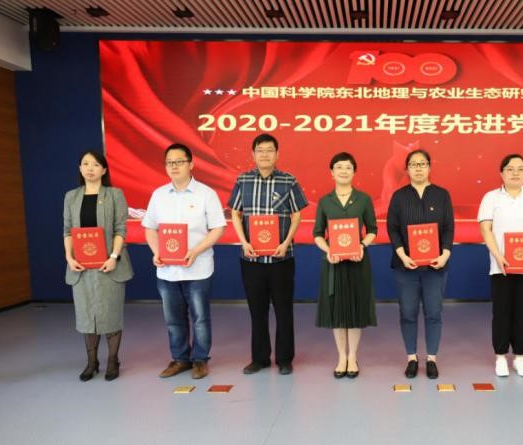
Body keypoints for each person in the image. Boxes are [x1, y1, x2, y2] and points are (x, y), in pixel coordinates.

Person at [142, 143, 226, 380]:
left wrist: (196, 251)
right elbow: (149, 228)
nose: (174, 166)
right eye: (170, 162)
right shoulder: (159, 195)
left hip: (197, 268)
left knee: (200, 317)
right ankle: (180, 359)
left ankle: (200, 359)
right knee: (173, 319)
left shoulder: (206, 194)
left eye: (179, 161)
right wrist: (156, 252)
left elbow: (218, 228)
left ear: (191, 164)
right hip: (167, 270)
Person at [228, 133, 308, 375]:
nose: (265, 154)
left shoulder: (289, 180)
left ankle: (285, 359)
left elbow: (297, 215)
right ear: (253, 154)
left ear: (277, 154)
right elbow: (235, 213)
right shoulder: (243, 180)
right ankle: (260, 358)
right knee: (257, 310)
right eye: (260, 150)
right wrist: (244, 242)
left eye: (269, 150)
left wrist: (286, 242)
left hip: (282, 257)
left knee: (284, 310)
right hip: (251, 258)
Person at [478, 154, 523, 377]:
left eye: (521, 169)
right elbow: (486, 229)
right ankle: (500, 356)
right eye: (510, 169)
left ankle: (520, 356)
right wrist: (498, 256)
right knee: (501, 311)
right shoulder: (491, 197)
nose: (515, 173)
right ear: (501, 173)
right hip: (501, 266)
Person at [63, 150, 133, 381]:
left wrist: (113, 256)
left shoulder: (114, 194)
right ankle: (91, 362)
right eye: (85, 164)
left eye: (95, 164)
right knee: (86, 316)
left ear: (104, 170)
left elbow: (121, 229)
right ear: (80, 169)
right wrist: (69, 257)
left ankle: (113, 360)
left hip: (109, 264)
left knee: (110, 314)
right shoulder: (71, 197)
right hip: (81, 267)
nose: (90, 168)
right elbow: (67, 230)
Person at [386, 149, 454, 379]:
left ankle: (432, 358)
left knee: (434, 312)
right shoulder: (399, 196)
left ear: (429, 167)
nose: (418, 168)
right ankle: (412, 358)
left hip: (436, 267)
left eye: (422, 164)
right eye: (413, 164)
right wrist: (402, 255)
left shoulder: (442, 195)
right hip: (406, 266)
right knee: (408, 312)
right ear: (406, 169)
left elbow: (449, 228)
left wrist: (445, 254)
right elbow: (392, 228)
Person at [313, 152, 377, 378]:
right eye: (339, 167)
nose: (343, 171)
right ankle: (341, 356)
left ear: (354, 172)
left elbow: (372, 230)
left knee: (355, 311)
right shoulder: (324, 201)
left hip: (358, 262)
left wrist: (361, 245)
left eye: (348, 167)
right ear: (331, 172)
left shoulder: (364, 199)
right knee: (338, 312)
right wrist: (328, 250)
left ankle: (353, 356)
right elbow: (317, 234)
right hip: (334, 263)